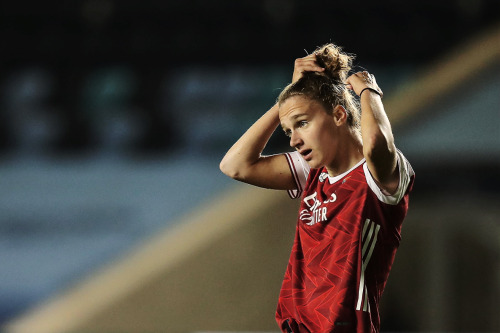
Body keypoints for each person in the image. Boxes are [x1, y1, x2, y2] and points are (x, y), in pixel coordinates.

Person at [219, 43, 415, 333]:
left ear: (338, 115)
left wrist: (368, 93)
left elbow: (374, 144)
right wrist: (289, 99)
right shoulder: (312, 172)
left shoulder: (378, 175)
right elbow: (235, 165)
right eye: (289, 130)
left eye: (302, 123)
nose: (293, 140)